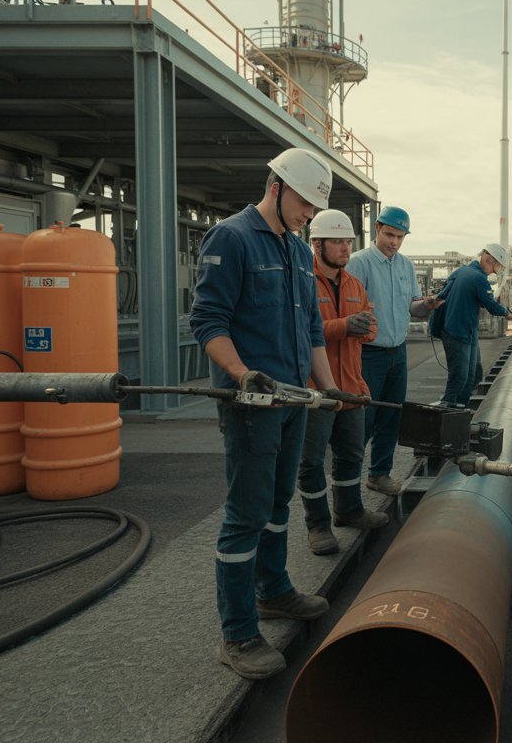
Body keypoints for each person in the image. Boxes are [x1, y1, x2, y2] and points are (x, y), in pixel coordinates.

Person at [190, 147, 343, 680]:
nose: (309, 214)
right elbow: (208, 320)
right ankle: (236, 633)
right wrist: (239, 373)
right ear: (276, 187)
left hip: (293, 402)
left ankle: (273, 589)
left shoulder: (300, 253)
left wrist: (332, 389)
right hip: (252, 403)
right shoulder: (231, 238)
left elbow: (309, 333)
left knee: (280, 500)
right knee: (246, 514)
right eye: (305, 202)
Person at [296, 209, 388, 557]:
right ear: (316, 243)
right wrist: (344, 326)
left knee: (351, 455)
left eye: (348, 241)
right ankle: (318, 526)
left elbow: (371, 326)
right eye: (337, 241)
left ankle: (348, 510)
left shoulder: (354, 284)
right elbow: (303, 332)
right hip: (316, 389)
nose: (345, 247)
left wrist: (364, 328)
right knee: (311, 461)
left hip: (351, 385)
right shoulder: (303, 281)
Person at [346, 206, 443, 495]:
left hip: (397, 353)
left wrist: (425, 305)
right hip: (367, 354)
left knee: (391, 415)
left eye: (400, 237)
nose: (395, 242)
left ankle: (379, 474)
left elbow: (412, 307)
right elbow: (348, 309)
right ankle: (347, 482)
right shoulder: (358, 264)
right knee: (362, 419)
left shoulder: (405, 266)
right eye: (390, 235)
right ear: (377, 228)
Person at [436, 243, 512, 407]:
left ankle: (462, 407)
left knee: (475, 374)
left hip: (465, 331)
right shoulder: (478, 278)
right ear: (488, 259)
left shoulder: (462, 272)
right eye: (495, 268)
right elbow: (492, 306)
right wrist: (508, 314)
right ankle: (448, 409)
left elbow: (443, 295)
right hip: (457, 332)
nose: (493, 272)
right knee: (459, 377)